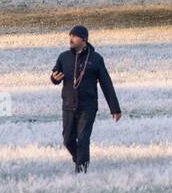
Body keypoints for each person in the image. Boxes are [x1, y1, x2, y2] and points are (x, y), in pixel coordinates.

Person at [50, 26, 121, 172]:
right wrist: (54, 79)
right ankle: (80, 160)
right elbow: (55, 76)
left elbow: (106, 84)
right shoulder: (63, 57)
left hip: (88, 107)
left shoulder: (96, 59)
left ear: (84, 40)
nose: (71, 39)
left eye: (74, 36)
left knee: (83, 139)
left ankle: (81, 171)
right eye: (70, 36)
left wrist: (115, 108)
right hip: (68, 105)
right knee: (68, 140)